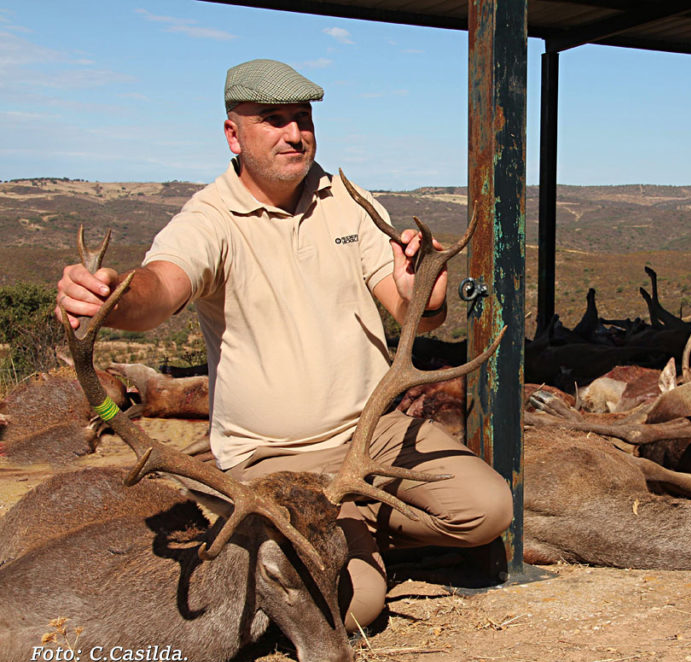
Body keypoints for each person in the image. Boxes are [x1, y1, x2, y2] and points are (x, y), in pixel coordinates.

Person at [55, 59, 512, 631]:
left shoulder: (346, 199)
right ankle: (340, 537)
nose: (295, 134)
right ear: (233, 134)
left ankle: (354, 529)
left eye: (303, 119)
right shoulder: (209, 219)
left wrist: (425, 291)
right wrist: (111, 297)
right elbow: (159, 289)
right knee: (356, 608)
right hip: (274, 457)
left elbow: (409, 314)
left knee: (488, 510)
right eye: (273, 120)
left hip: (375, 432)